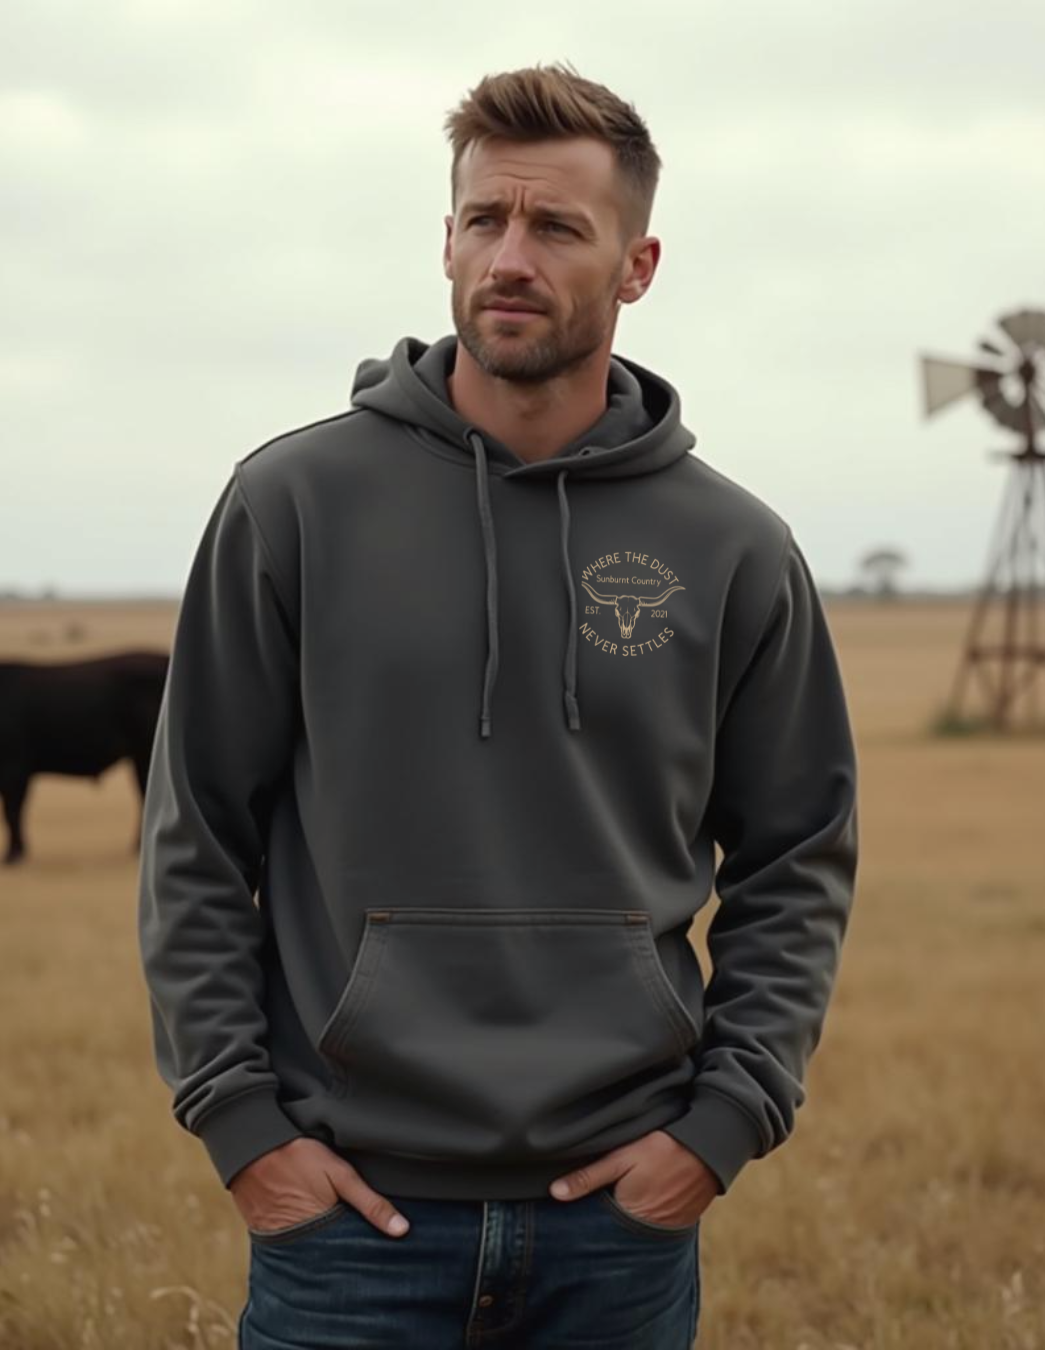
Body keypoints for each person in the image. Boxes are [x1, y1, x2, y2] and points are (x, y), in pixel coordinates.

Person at [138, 63, 857, 1350]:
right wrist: (244, 1132)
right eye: (484, 220)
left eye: (556, 228)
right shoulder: (294, 503)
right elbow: (194, 835)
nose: (509, 257)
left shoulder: (735, 546)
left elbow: (799, 854)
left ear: (637, 266)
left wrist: (720, 1128)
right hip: (350, 1225)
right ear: (449, 239)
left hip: (616, 1227)